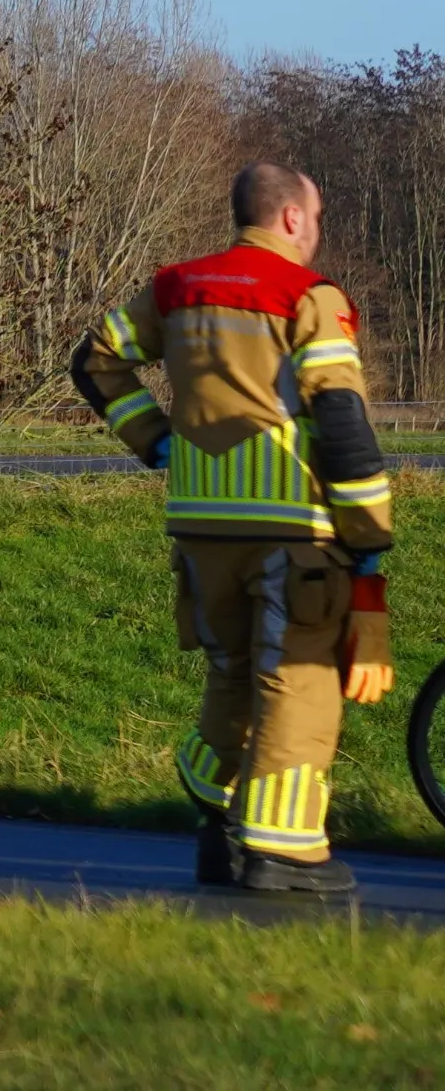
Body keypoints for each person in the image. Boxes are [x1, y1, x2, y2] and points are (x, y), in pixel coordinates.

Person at [69, 160, 398, 897]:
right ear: (290, 219)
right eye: (314, 219)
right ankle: (285, 852)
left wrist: (156, 440)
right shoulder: (311, 300)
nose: (316, 232)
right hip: (294, 531)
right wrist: (371, 546)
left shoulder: (175, 290)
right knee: (300, 683)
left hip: (199, 532)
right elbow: (343, 426)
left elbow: (92, 361)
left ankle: (216, 810)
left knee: (234, 676)